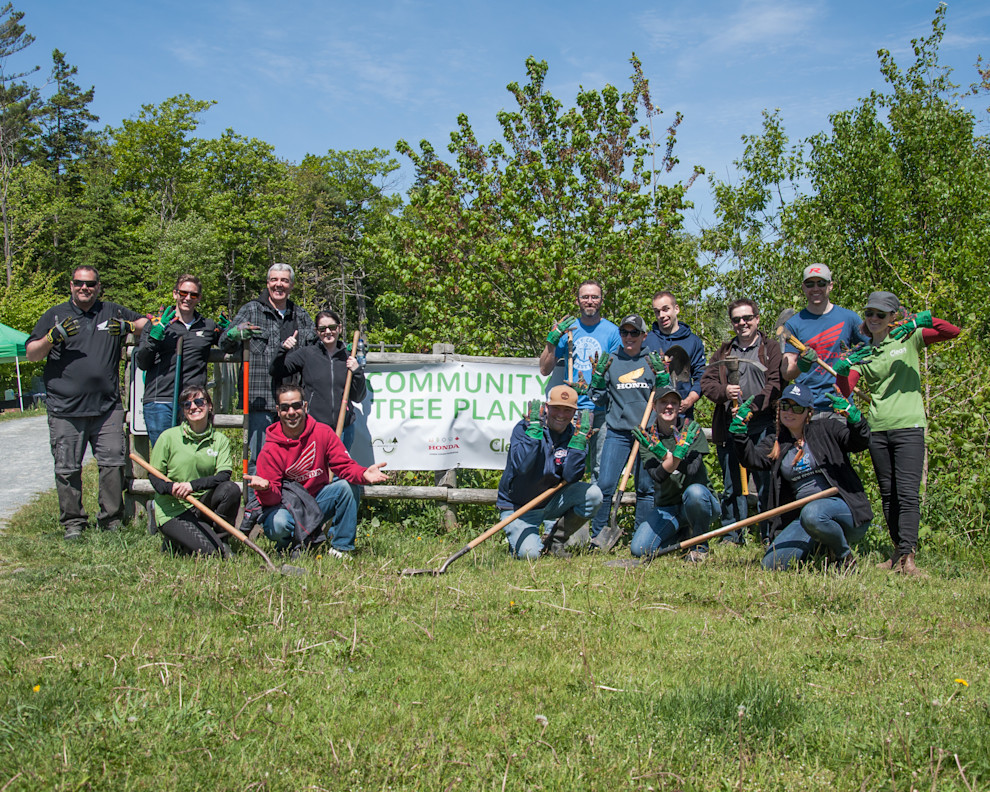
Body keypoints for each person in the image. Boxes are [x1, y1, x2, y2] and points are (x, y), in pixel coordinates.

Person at [835, 292, 959, 576]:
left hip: (909, 426)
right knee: (889, 495)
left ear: (893, 316)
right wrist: (842, 370)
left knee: (907, 494)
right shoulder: (865, 353)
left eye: (881, 314)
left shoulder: (909, 339)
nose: (874, 319)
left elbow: (952, 331)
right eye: (870, 314)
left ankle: (909, 556)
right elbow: (845, 390)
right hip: (878, 428)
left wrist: (921, 321)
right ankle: (897, 553)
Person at [26, 266, 147, 540]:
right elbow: (32, 354)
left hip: (107, 407)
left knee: (113, 464)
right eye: (80, 283)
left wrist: (128, 327)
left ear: (98, 286)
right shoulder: (55, 315)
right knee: (67, 468)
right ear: (71, 285)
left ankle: (110, 519)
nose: (85, 288)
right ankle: (73, 522)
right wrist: (50, 337)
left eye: (90, 284)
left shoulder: (111, 311)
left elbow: (147, 324)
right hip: (65, 409)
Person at [733, 383, 873, 571]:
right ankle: (822, 548)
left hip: (843, 509)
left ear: (808, 412)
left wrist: (856, 421)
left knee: (813, 513)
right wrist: (740, 434)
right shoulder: (776, 443)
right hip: (804, 518)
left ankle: (843, 556)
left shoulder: (826, 429)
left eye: (796, 407)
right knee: (772, 564)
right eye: (785, 406)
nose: (789, 412)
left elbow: (858, 442)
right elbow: (752, 459)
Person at [246, 385, 389, 558]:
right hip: (285, 508)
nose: (291, 412)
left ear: (305, 406)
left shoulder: (323, 433)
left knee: (347, 487)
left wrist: (363, 473)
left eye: (296, 406)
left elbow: (344, 466)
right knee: (279, 523)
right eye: (285, 408)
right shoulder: (269, 450)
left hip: (315, 503)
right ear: (278, 410)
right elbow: (273, 499)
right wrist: (266, 488)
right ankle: (288, 547)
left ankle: (341, 548)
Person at [700, 298, 782, 544]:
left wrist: (751, 409)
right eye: (736, 319)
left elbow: (776, 384)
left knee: (766, 482)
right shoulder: (724, 351)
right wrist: (725, 392)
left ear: (757, 319)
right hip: (730, 426)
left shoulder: (770, 349)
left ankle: (768, 534)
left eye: (747, 318)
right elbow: (706, 383)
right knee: (731, 483)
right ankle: (732, 534)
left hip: (761, 425)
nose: (742, 323)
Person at [220, 263, 316, 468]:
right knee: (260, 458)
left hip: (293, 402)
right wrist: (233, 334)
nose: (278, 285)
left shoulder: (301, 316)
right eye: (274, 280)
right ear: (267, 283)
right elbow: (224, 343)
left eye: (284, 280)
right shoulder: (251, 310)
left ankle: (287, 500)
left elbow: (318, 348)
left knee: (293, 460)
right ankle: (256, 500)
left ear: (291, 286)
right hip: (259, 399)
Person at [496, 385, 601, 560]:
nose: (561, 415)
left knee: (594, 495)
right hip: (519, 507)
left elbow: (571, 476)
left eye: (567, 410)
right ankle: (522, 538)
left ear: (574, 412)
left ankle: (555, 539)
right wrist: (534, 436)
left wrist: (578, 444)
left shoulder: (577, 435)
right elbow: (522, 468)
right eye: (556, 408)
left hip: (552, 502)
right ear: (546, 407)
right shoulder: (525, 428)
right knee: (530, 555)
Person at [587, 315, 662, 549]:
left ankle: (641, 536)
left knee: (645, 488)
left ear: (643, 336)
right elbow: (597, 398)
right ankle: (598, 535)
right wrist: (597, 383)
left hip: (647, 435)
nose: (629, 337)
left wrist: (664, 381)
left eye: (634, 333)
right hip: (617, 433)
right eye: (624, 333)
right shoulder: (610, 361)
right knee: (605, 485)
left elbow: (667, 398)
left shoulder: (652, 362)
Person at [539, 280, 620, 479]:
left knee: (601, 470)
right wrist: (552, 341)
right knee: (565, 466)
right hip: (570, 410)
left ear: (601, 300)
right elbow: (544, 368)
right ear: (578, 301)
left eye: (594, 297)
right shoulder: (568, 329)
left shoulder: (613, 332)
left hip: (601, 410)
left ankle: (595, 509)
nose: (590, 301)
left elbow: (617, 374)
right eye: (585, 297)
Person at [148, 386, 240, 557]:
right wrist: (172, 488)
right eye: (187, 404)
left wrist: (191, 486)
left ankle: (223, 540)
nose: (193, 407)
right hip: (174, 509)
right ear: (183, 411)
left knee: (230, 489)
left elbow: (223, 476)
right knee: (213, 554)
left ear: (210, 406)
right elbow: (154, 478)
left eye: (199, 402)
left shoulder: (219, 440)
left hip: (202, 504)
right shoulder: (168, 437)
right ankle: (173, 538)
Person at [631, 386, 720, 562]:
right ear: (655, 406)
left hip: (700, 503)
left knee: (695, 492)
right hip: (667, 507)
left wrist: (665, 456)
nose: (669, 406)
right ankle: (682, 535)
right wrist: (672, 455)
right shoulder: (648, 437)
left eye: (674, 403)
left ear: (680, 407)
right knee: (639, 549)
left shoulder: (692, 429)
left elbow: (693, 469)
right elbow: (657, 475)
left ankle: (699, 546)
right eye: (664, 402)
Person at [135, 274, 220, 446]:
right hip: (161, 401)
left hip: (194, 402)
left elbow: (228, 344)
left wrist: (233, 331)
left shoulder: (207, 326)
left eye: (193, 295)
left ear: (199, 298)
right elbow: (142, 362)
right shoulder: (156, 324)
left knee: (193, 457)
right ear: (175, 294)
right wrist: (154, 338)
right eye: (183, 293)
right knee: (164, 458)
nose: (187, 298)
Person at [269, 309, 366, 450]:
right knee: (315, 470)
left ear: (339, 328)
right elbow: (276, 371)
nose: (328, 332)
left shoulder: (348, 357)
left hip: (344, 428)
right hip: (315, 428)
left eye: (332, 327)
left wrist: (357, 371)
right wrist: (282, 350)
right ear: (316, 331)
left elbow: (358, 397)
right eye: (322, 329)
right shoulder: (307, 354)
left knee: (340, 471)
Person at [781, 264, 869, 414]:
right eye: (810, 284)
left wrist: (853, 369)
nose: (816, 288)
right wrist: (802, 364)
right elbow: (787, 372)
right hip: (806, 406)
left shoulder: (849, 318)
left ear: (831, 286)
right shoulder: (793, 324)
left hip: (841, 404)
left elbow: (871, 351)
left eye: (821, 283)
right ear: (803, 287)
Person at [643, 291, 707, 417]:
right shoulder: (647, 341)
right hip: (651, 416)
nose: (662, 315)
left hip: (682, 414)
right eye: (657, 311)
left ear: (676, 309)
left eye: (666, 309)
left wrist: (689, 400)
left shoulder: (693, 342)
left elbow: (702, 376)